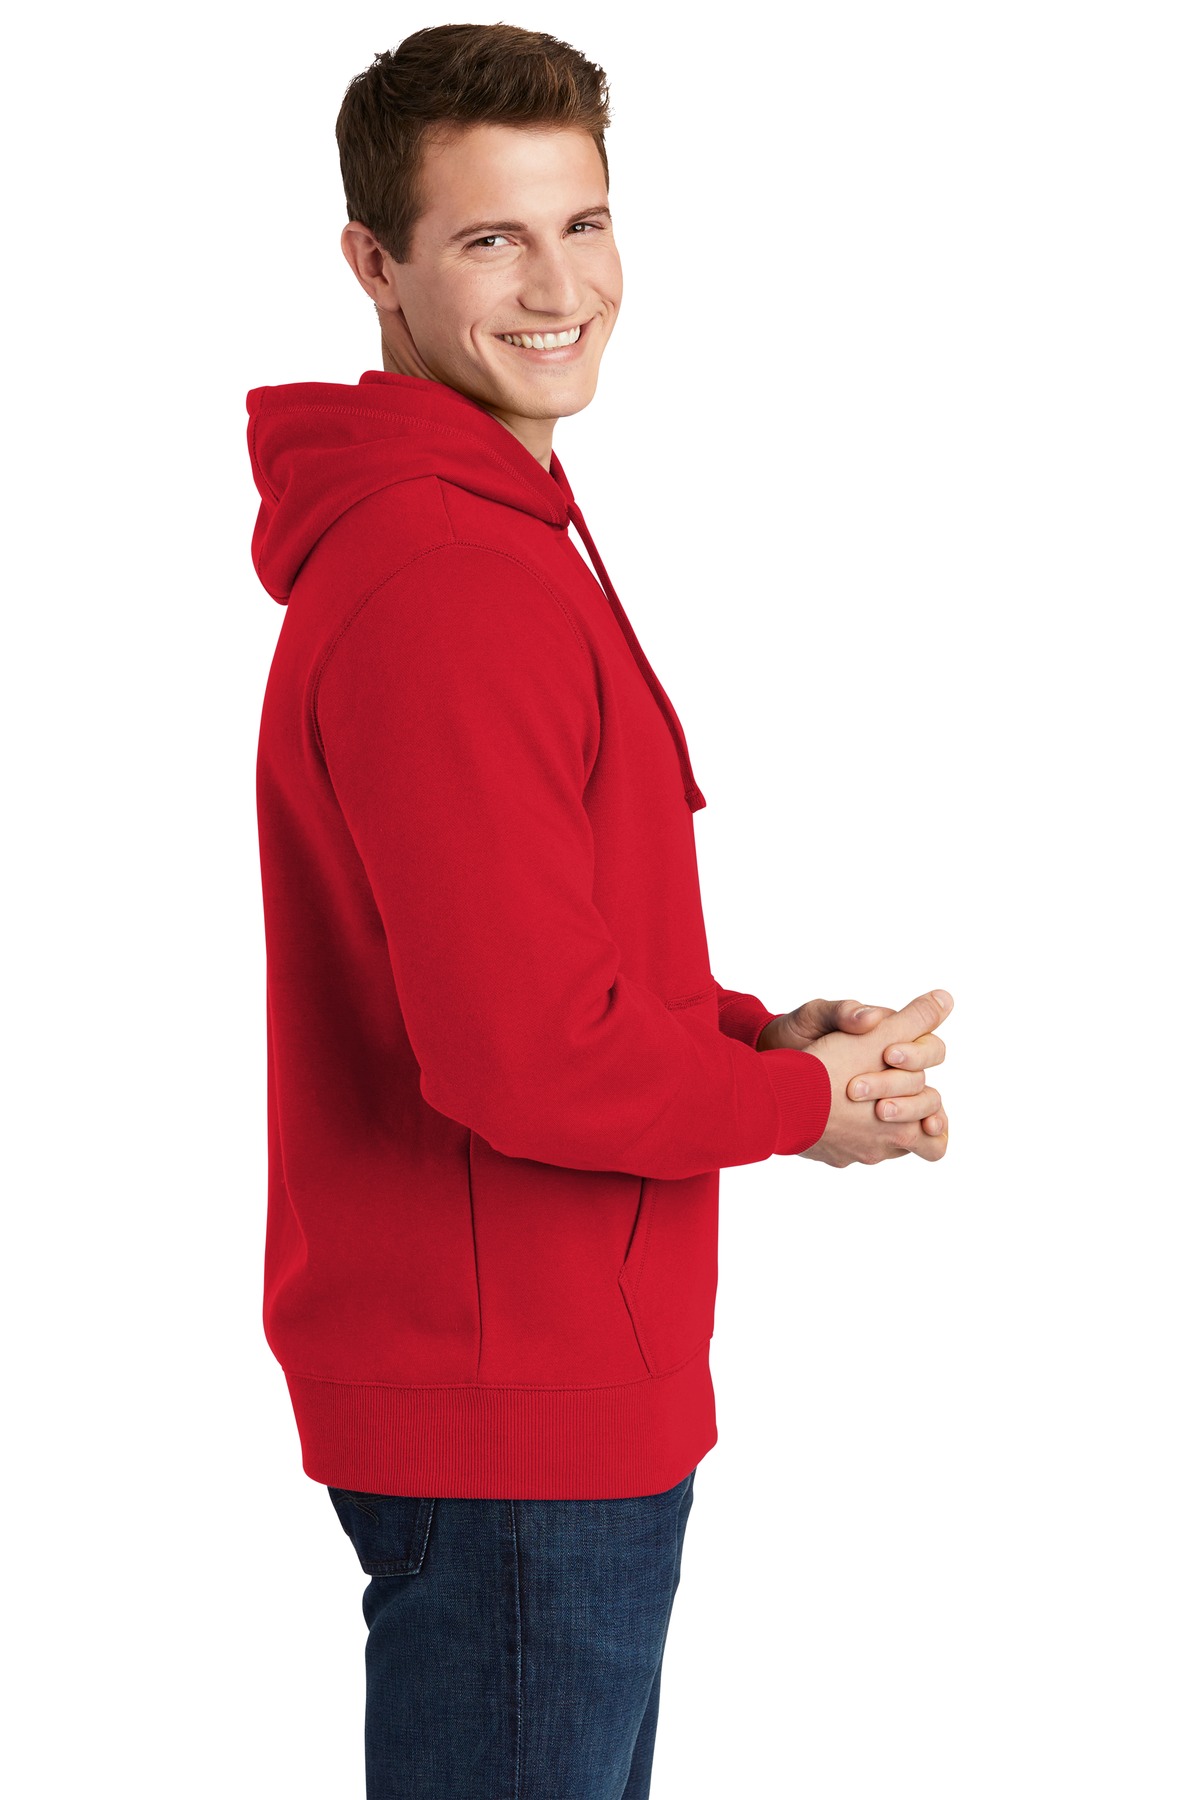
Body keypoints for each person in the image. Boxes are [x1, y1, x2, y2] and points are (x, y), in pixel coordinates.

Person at [245, 22, 952, 1799]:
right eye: (491, 239)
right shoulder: (446, 574)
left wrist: (761, 1039)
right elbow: (522, 1057)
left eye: (585, 223)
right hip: (515, 1426)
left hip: (549, 1396)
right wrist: (794, 1108)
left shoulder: (502, 531)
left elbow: (543, 955)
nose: (562, 289)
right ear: (375, 264)